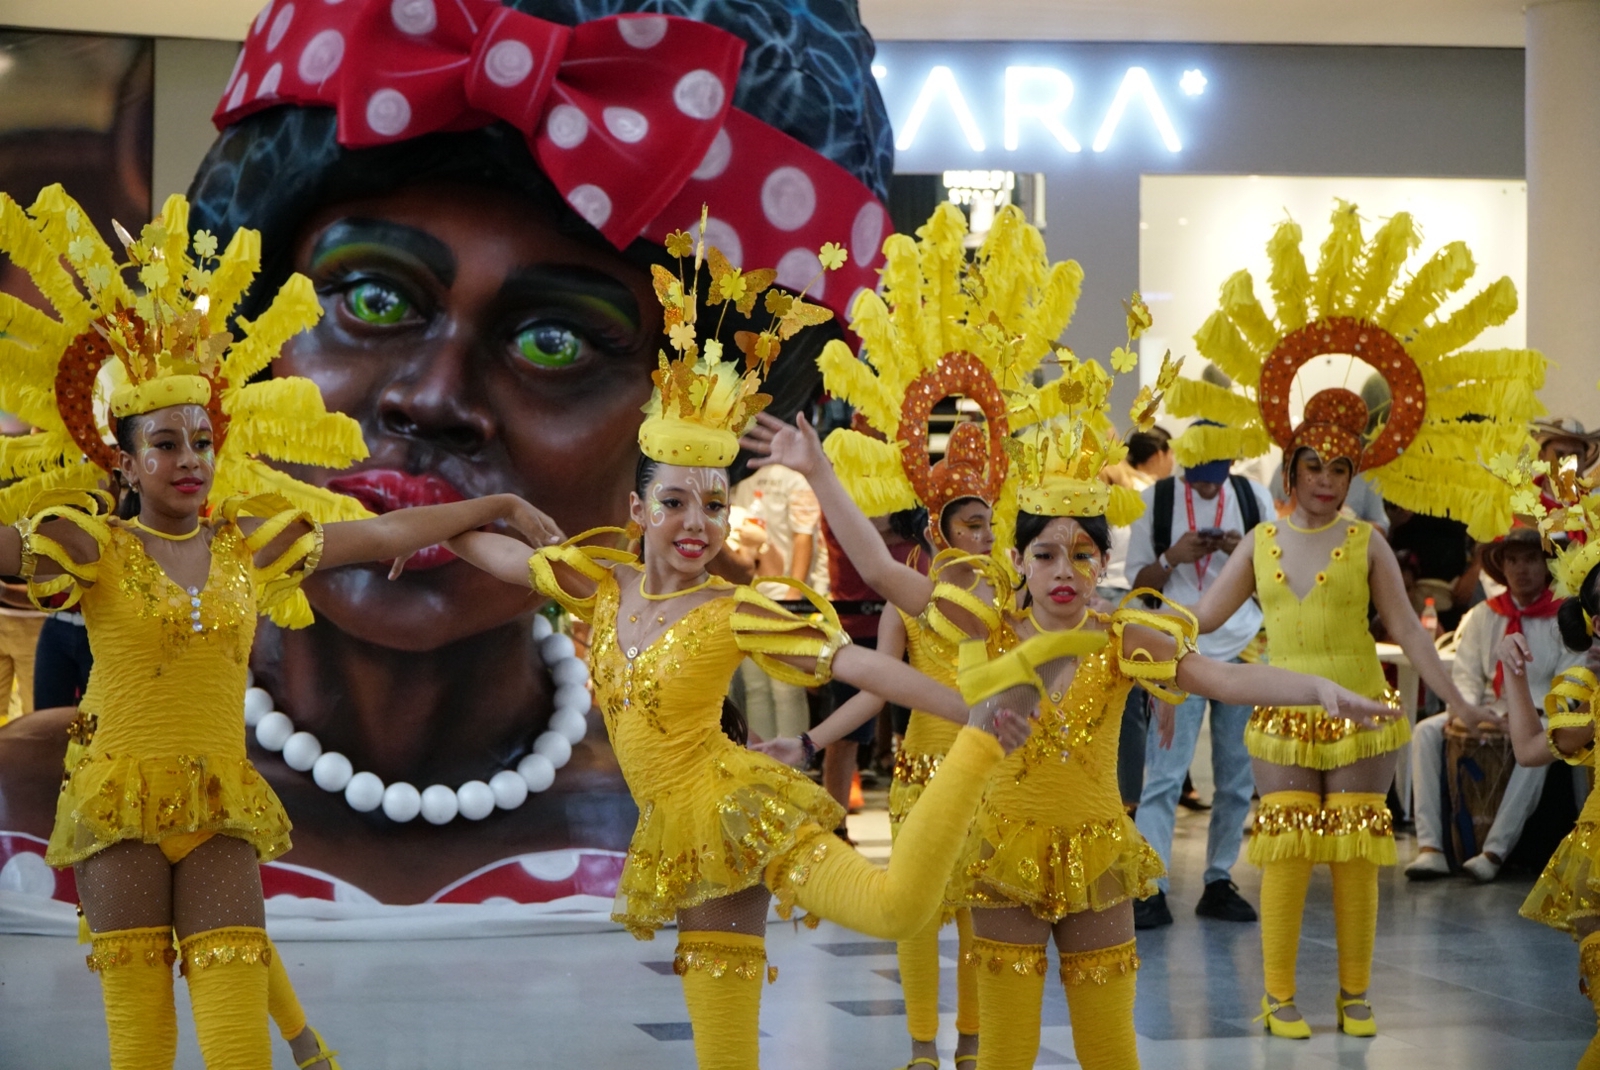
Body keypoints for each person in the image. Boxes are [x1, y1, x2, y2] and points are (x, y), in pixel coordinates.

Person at [0, 0, 900, 906]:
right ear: (253, 339)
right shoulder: (42, 810)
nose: (431, 397)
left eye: (557, 342)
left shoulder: (690, 840)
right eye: (375, 301)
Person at [0, 192, 564, 1069]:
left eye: (201, 441)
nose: (190, 461)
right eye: (166, 445)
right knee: (140, 1040)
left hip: (221, 805)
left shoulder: (250, 544)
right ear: (127, 456)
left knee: (234, 1039)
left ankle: (300, 1046)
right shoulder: (93, 546)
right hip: (116, 810)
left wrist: (492, 505)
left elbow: (377, 536)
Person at [441, 246, 1031, 1070]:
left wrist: (974, 717)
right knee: (721, 1033)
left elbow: (856, 666)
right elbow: (495, 554)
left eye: (715, 504)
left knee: (897, 910)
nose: (698, 522)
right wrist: (459, 521)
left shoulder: (737, 609)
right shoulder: (603, 585)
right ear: (639, 509)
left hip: (739, 810)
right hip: (683, 834)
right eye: (677, 502)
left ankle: (976, 754)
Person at [926, 350, 1397, 1070]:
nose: (1065, 572)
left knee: (1112, 1045)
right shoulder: (988, 633)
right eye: (1047, 555)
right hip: (1002, 851)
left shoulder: (1120, 636)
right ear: (1017, 560)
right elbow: (883, 575)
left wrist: (1316, 689)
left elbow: (1223, 680)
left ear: (1103, 563)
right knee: (1007, 1049)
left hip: (1097, 855)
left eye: (1083, 556)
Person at [1168, 201, 1539, 1037]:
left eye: (1341, 466)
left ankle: (1356, 993)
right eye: (1314, 465)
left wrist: (1456, 701)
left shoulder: (1368, 540)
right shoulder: (1258, 541)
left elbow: (1410, 631)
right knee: (1291, 852)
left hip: (1367, 713)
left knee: (1356, 854)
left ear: (1353, 469)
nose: (1328, 479)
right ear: (1290, 466)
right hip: (1285, 716)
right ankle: (1279, 995)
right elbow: (1201, 617)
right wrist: (1143, 638)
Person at [743, 200, 1032, 1070]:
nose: (981, 538)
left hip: (990, 768)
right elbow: (876, 681)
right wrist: (809, 737)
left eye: (990, 524)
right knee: (916, 914)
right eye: (967, 526)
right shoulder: (918, 592)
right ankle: (920, 1048)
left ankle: (975, 1047)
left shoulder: (1015, 592)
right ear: (939, 531)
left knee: (984, 915)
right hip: (918, 772)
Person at [1124, 439, 1273, 928]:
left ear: (1230, 463)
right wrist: (1172, 558)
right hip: (1175, 643)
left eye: (1214, 475)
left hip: (1245, 642)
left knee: (1236, 776)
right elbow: (1138, 584)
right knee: (1164, 774)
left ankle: (1219, 878)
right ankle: (1151, 887)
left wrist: (1240, 552)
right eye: (1197, 476)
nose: (1205, 485)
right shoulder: (1158, 499)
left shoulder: (1253, 498)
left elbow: (1275, 574)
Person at [1406, 527, 1582, 882]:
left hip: (1540, 713)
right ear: (1501, 566)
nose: (1521, 569)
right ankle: (1431, 848)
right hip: (1488, 711)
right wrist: (1470, 713)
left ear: (1547, 564)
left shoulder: (1565, 616)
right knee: (1426, 731)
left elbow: (1572, 678)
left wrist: (1534, 714)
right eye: (1512, 560)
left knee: (1541, 739)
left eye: (1531, 559)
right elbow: (1467, 674)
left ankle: (1495, 850)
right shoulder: (1482, 615)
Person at [732, 462, 826, 742]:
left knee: (775, 686)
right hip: (759, 593)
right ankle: (775, 762)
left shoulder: (783, 482)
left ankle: (785, 763)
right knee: (764, 686)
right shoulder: (745, 484)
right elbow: (802, 537)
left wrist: (793, 595)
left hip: (771, 594)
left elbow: (803, 538)